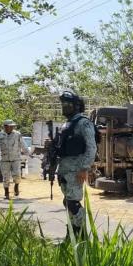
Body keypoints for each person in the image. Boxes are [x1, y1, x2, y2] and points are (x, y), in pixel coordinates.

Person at [56, 91, 97, 239]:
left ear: (76, 106)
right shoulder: (66, 124)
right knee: (67, 202)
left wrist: (84, 168)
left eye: (68, 104)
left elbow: (91, 147)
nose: (64, 107)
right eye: (63, 104)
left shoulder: (83, 123)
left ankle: (82, 236)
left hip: (76, 170)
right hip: (64, 170)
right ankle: (71, 234)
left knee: (73, 204)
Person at [0, 120, 29, 200]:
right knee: (5, 177)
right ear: (5, 127)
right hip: (4, 159)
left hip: (16, 158)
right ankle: (6, 192)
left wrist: (27, 152)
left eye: (12, 126)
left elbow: (23, 144)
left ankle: (16, 186)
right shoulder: (0, 135)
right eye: (10, 126)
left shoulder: (17, 134)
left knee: (17, 175)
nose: (11, 128)